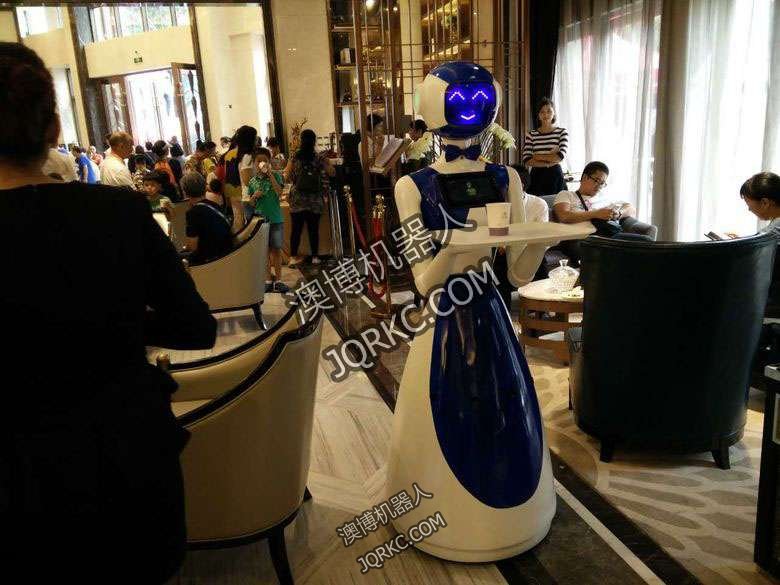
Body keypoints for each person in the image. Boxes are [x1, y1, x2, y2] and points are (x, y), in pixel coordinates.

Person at [0, 41, 216, 583]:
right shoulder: (118, 212)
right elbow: (196, 326)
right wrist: (113, 322)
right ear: (54, 128)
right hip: (127, 457)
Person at [553, 160, 647, 265]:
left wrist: (619, 213)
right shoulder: (566, 195)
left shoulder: (604, 198)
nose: (599, 186)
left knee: (647, 242)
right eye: (596, 180)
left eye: (602, 183)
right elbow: (564, 216)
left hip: (608, 237)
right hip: (581, 240)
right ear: (584, 177)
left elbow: (631, 208)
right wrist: (596, 214)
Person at [284, 128, 334, 267]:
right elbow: (332, 172)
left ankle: (293, 257)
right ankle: (315, 257)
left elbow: (286, 176)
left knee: (296, 229)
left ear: (301, 141)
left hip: (297, 199)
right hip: (314, 199)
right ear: (314, 141)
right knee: (313, 229)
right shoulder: (318, 157)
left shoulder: (294, 157)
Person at [248, 148, 286, 291]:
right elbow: (251, 203)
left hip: (276, 219)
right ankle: (268, 279)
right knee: (264, 251)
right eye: (259, 161)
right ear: (254, 163)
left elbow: (279, 192)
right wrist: (254, 197)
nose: (262, 163)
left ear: (269, 162)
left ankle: (279, 280)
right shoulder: (252, 181)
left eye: (265, 160)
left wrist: (270, 174)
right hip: (261, 221)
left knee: (276, 250)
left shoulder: (276, 176)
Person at [181, 172, 233, 265]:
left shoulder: (193, 213)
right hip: (228, 252)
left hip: (211, 259)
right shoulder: (214, 205)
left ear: (185, 192)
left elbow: (193, 247)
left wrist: (185, 247)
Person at [522, 98, 569, 195]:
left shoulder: (562, 132)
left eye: (549, 111)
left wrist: (537, 156)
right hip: (536, 176)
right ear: (538, 115)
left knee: (557, 202)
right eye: (542, 112)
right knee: (537, 203)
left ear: (554, 113)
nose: (546, 115)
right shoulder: (531, 134)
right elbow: (526, 159)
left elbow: (560, 156)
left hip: (555, 175)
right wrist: (549, 162)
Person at [224, 125, 257, 230]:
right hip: (245, 191)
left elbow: (228, 173)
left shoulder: (231, 153)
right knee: (248, 224)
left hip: (233, 187)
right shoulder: (246, 155)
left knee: (238, 218)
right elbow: (247, 179)